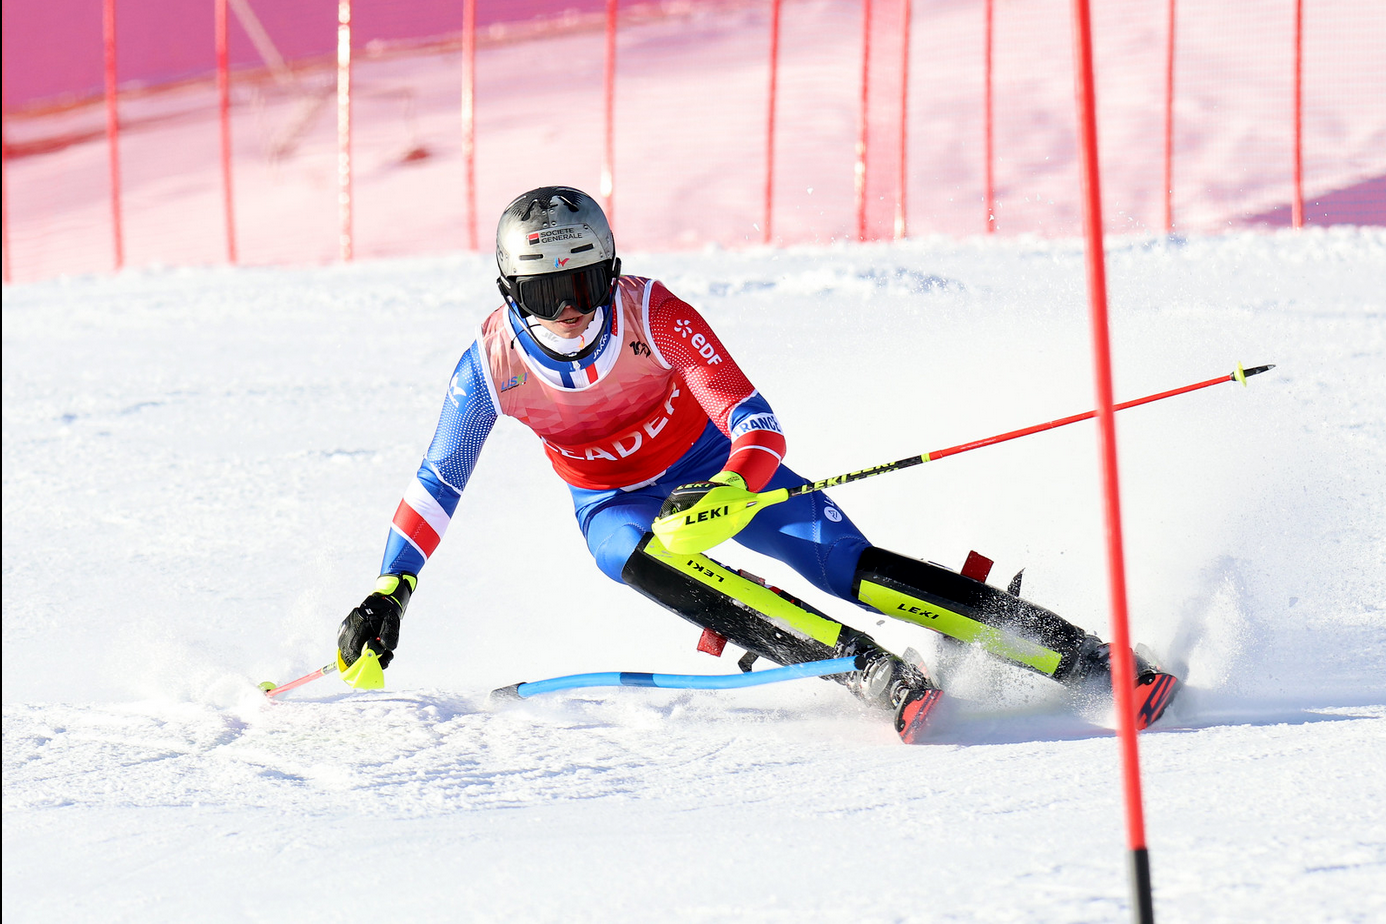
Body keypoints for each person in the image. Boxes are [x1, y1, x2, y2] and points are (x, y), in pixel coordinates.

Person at [337, 185, 1172, 742]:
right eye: (545, 296)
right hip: (615, 501)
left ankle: (1089, 660)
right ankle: (864, 669)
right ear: (509, 293)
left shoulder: (652, 312)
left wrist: (734, 488)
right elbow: (439, 480)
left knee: (852, 568)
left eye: (584, 286)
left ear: (612, 272)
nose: (568, 314)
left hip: (718, 467)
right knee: (628, 553)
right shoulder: (487, 365)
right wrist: (390, 588)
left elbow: (752, 416)